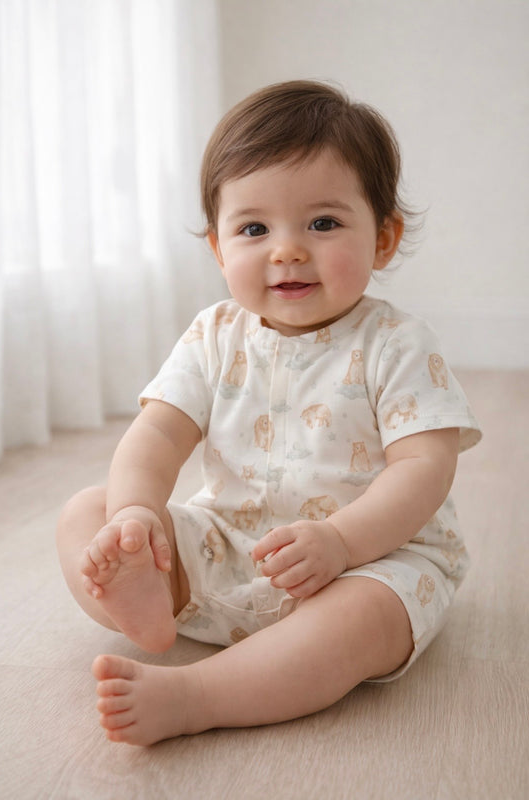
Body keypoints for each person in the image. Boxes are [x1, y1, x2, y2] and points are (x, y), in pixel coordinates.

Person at [56, 80, 481, 746]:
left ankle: (199, 694)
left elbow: (424, 468)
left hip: (369, 558)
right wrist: (136, 515)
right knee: (88, 514)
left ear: (383, 239)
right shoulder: (213, 335)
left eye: (322, 223)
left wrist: (342, 542)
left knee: (362, 620)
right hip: (232, 544)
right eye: (254, 229)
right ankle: (151, 595)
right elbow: (158, 432)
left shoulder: (395, 344)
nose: (287, 250)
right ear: (219, 249)